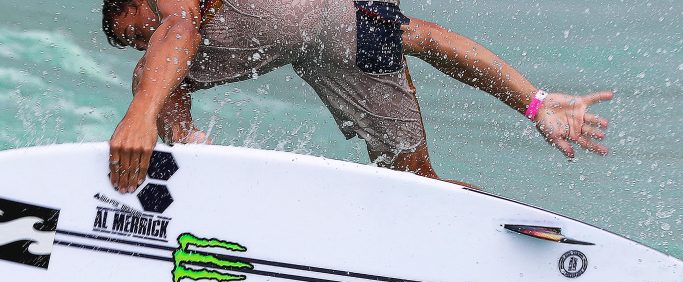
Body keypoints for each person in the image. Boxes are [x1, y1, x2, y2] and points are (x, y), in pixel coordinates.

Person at [103, 0, 612, 194]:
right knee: (415, 187)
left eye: (135, 30)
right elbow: (428, 37)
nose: (144, 42)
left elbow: (178, 28)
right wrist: (535, 103)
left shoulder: (174, 16)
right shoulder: (176, 43)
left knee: (155, 74)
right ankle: (187, 153)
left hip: (315, 17)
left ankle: (180, 151)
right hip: (330, 26)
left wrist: (139, 116)